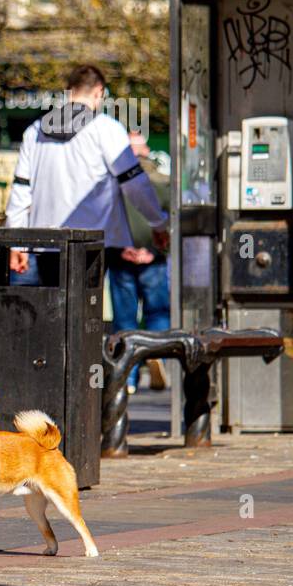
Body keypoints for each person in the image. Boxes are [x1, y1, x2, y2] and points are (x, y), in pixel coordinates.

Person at [6, 64, 168, 284]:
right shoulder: (106, 129)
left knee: (51, 310)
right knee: (84, 312)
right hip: (93, 243)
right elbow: (134, 184)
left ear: (69, 90)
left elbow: (21, 190)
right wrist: (157, 223)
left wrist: (16, 242)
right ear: (99, 92)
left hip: (45, 241)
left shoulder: (35, 131)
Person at [109, 133, 171, 393]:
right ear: (145, 150)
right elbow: (170, 221)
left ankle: (128, 377)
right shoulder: (162, 181)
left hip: (121, 256)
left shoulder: (111, 184)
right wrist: (153, 251)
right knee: (157, 313)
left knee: (125, 320)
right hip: (152, 257)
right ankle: (157, 355)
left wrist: (123, 248)